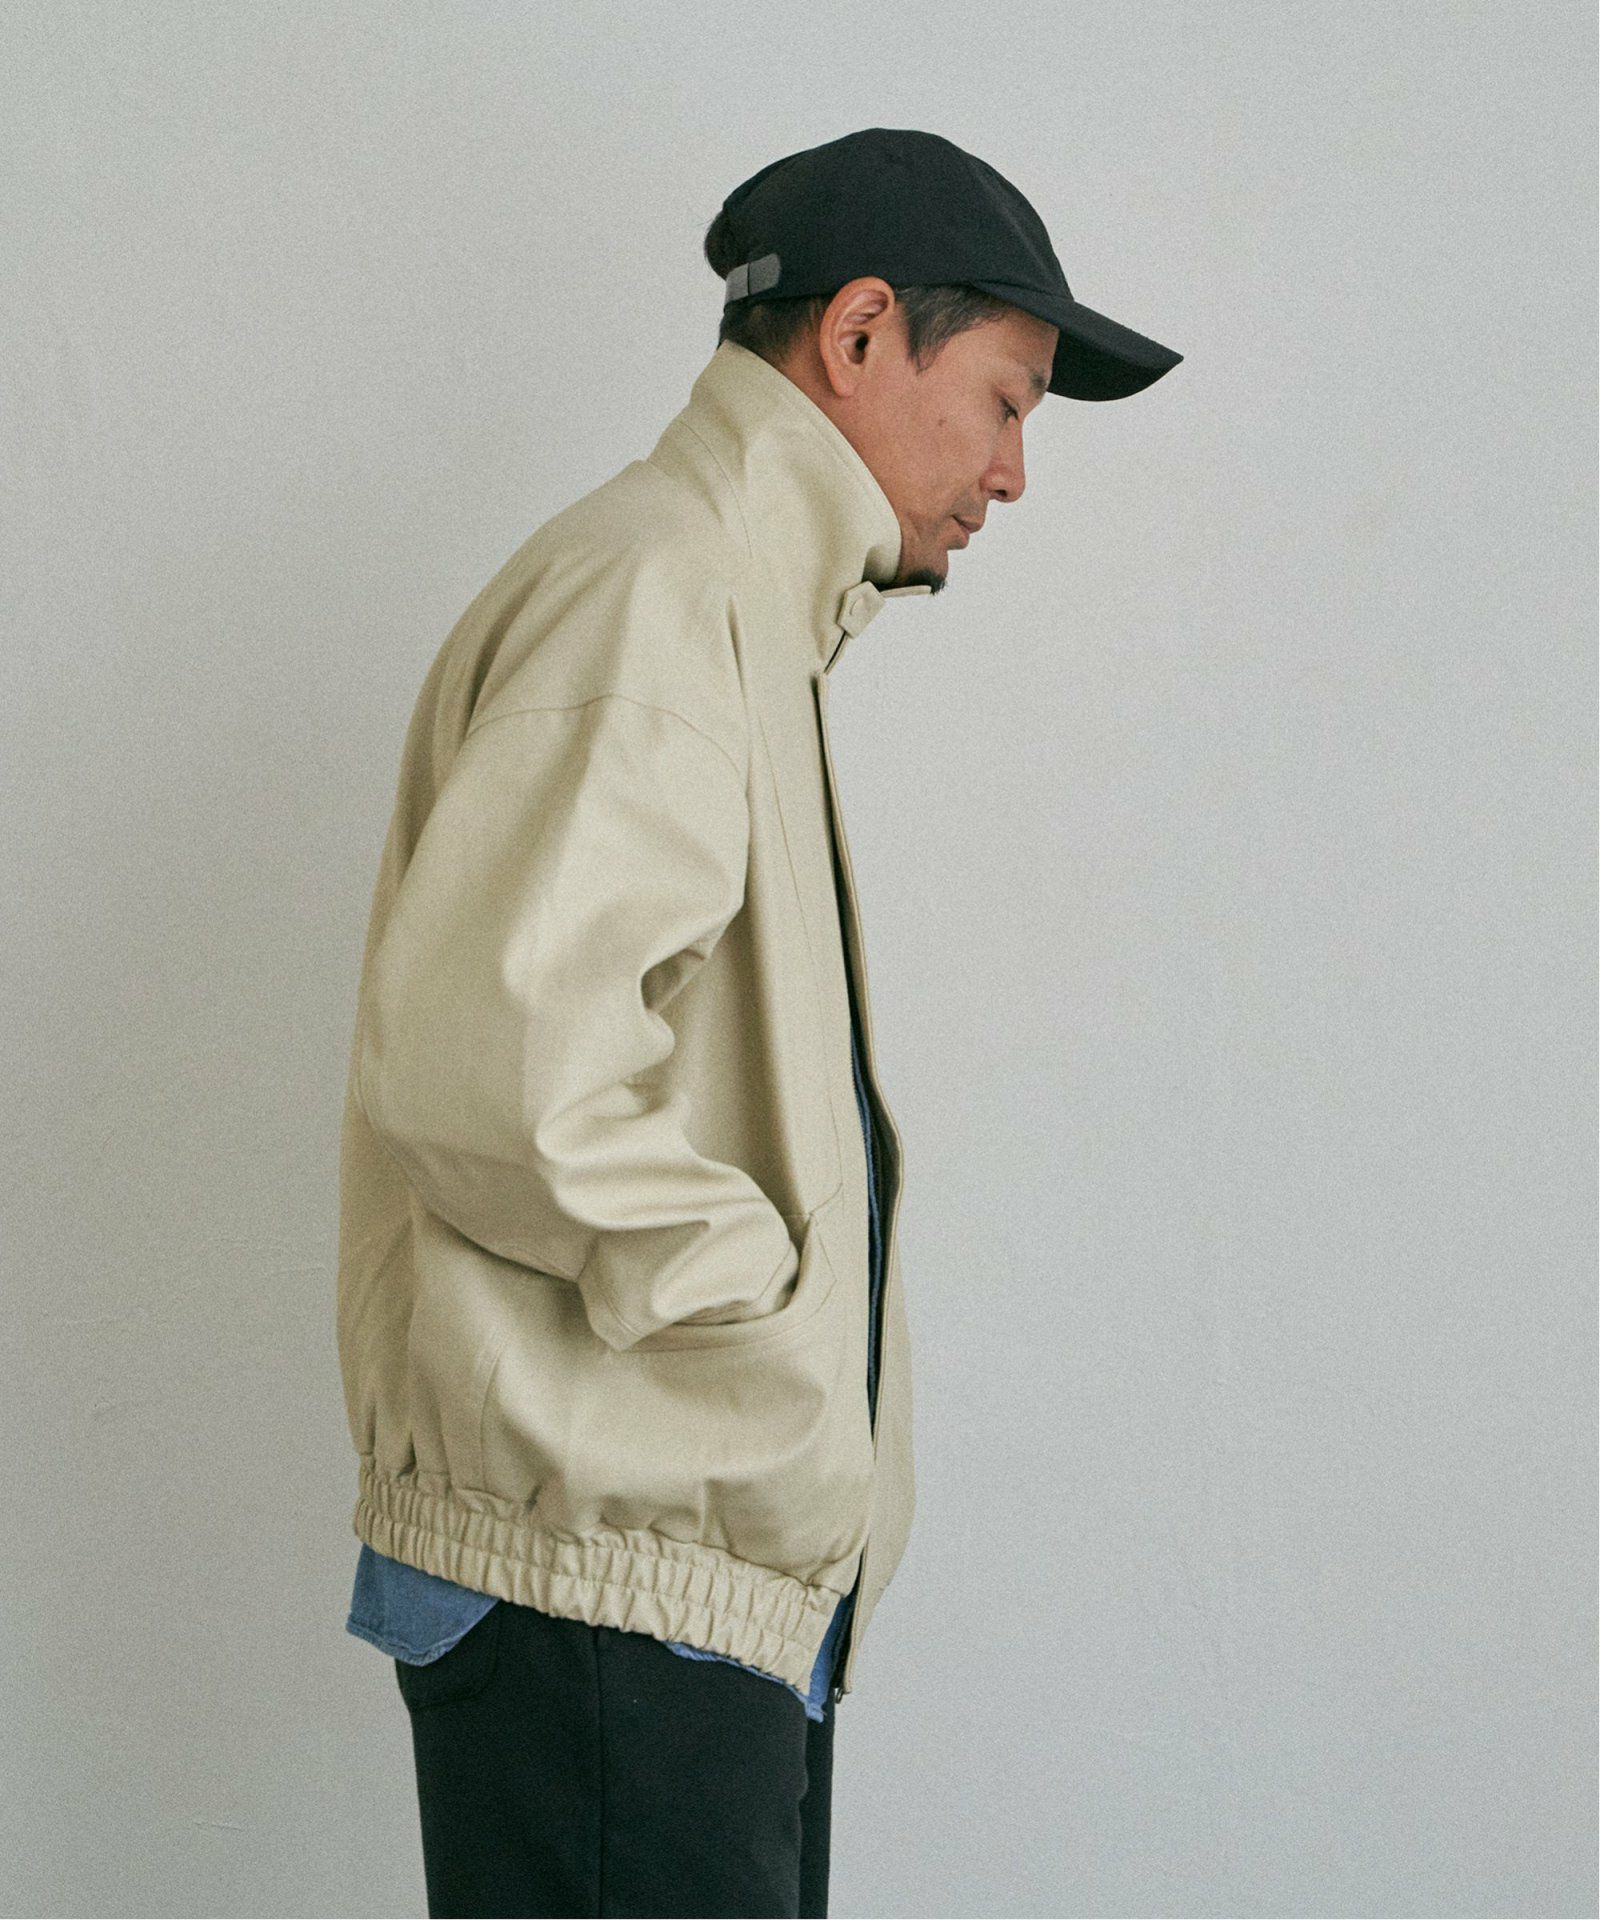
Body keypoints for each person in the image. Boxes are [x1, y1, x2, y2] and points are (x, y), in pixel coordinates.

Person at [335, 125, 1181, 1919]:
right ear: (859, 335)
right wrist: (765, 1320)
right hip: (613, 1580)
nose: (1015, 473)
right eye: (1007, 400)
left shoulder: (724, 604)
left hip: (664, 1580)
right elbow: (497, 1072)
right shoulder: (659, 598)